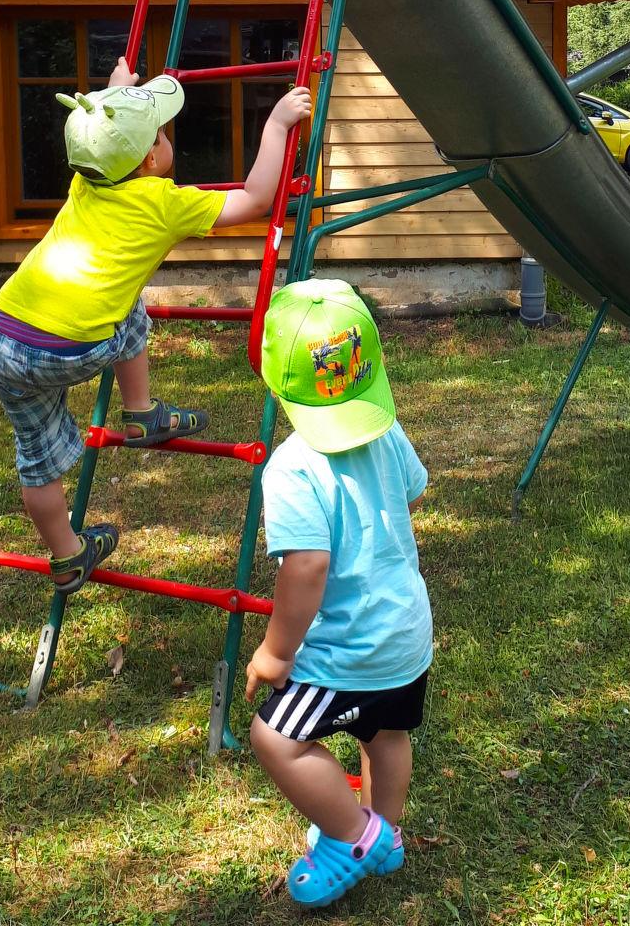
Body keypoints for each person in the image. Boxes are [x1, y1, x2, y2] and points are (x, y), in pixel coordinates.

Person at [0, 56, 311, 595]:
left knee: (36, 458)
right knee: (128, 305)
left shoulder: (87, 181)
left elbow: (102, 139)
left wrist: (115, 93)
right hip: (73, 346)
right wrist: (275, 124)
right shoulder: (162, 201)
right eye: (160, 133)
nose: (165, 138)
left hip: (5, 336)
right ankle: (140, 414)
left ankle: (68, 557)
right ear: (149, 159)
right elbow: (255, 198)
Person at [245, 278, 432, 907]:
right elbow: (411, 492)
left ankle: (355, 836)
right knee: (387, 735)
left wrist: (274, 653)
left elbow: (306, 568)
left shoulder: (293, 467)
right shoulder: (386, 431)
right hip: (406, 637)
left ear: (275, 380)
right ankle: (389, 832)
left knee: (277, 740)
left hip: (343, 655)